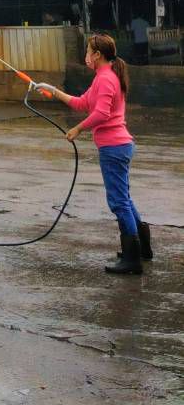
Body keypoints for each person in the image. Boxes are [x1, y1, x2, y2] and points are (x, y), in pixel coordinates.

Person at [39, 33, 150, 275]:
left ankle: (132, 259)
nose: (86, 56)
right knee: (124, 199)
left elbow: (101, 114)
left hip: (114, 147)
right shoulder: (104, 77)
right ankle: (142, 249)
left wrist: (78, 128)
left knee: (118, 202)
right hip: (118, 146)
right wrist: (53, 91)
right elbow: (82, 103)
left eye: (88, 52)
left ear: (97, 55)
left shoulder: (106, 79)